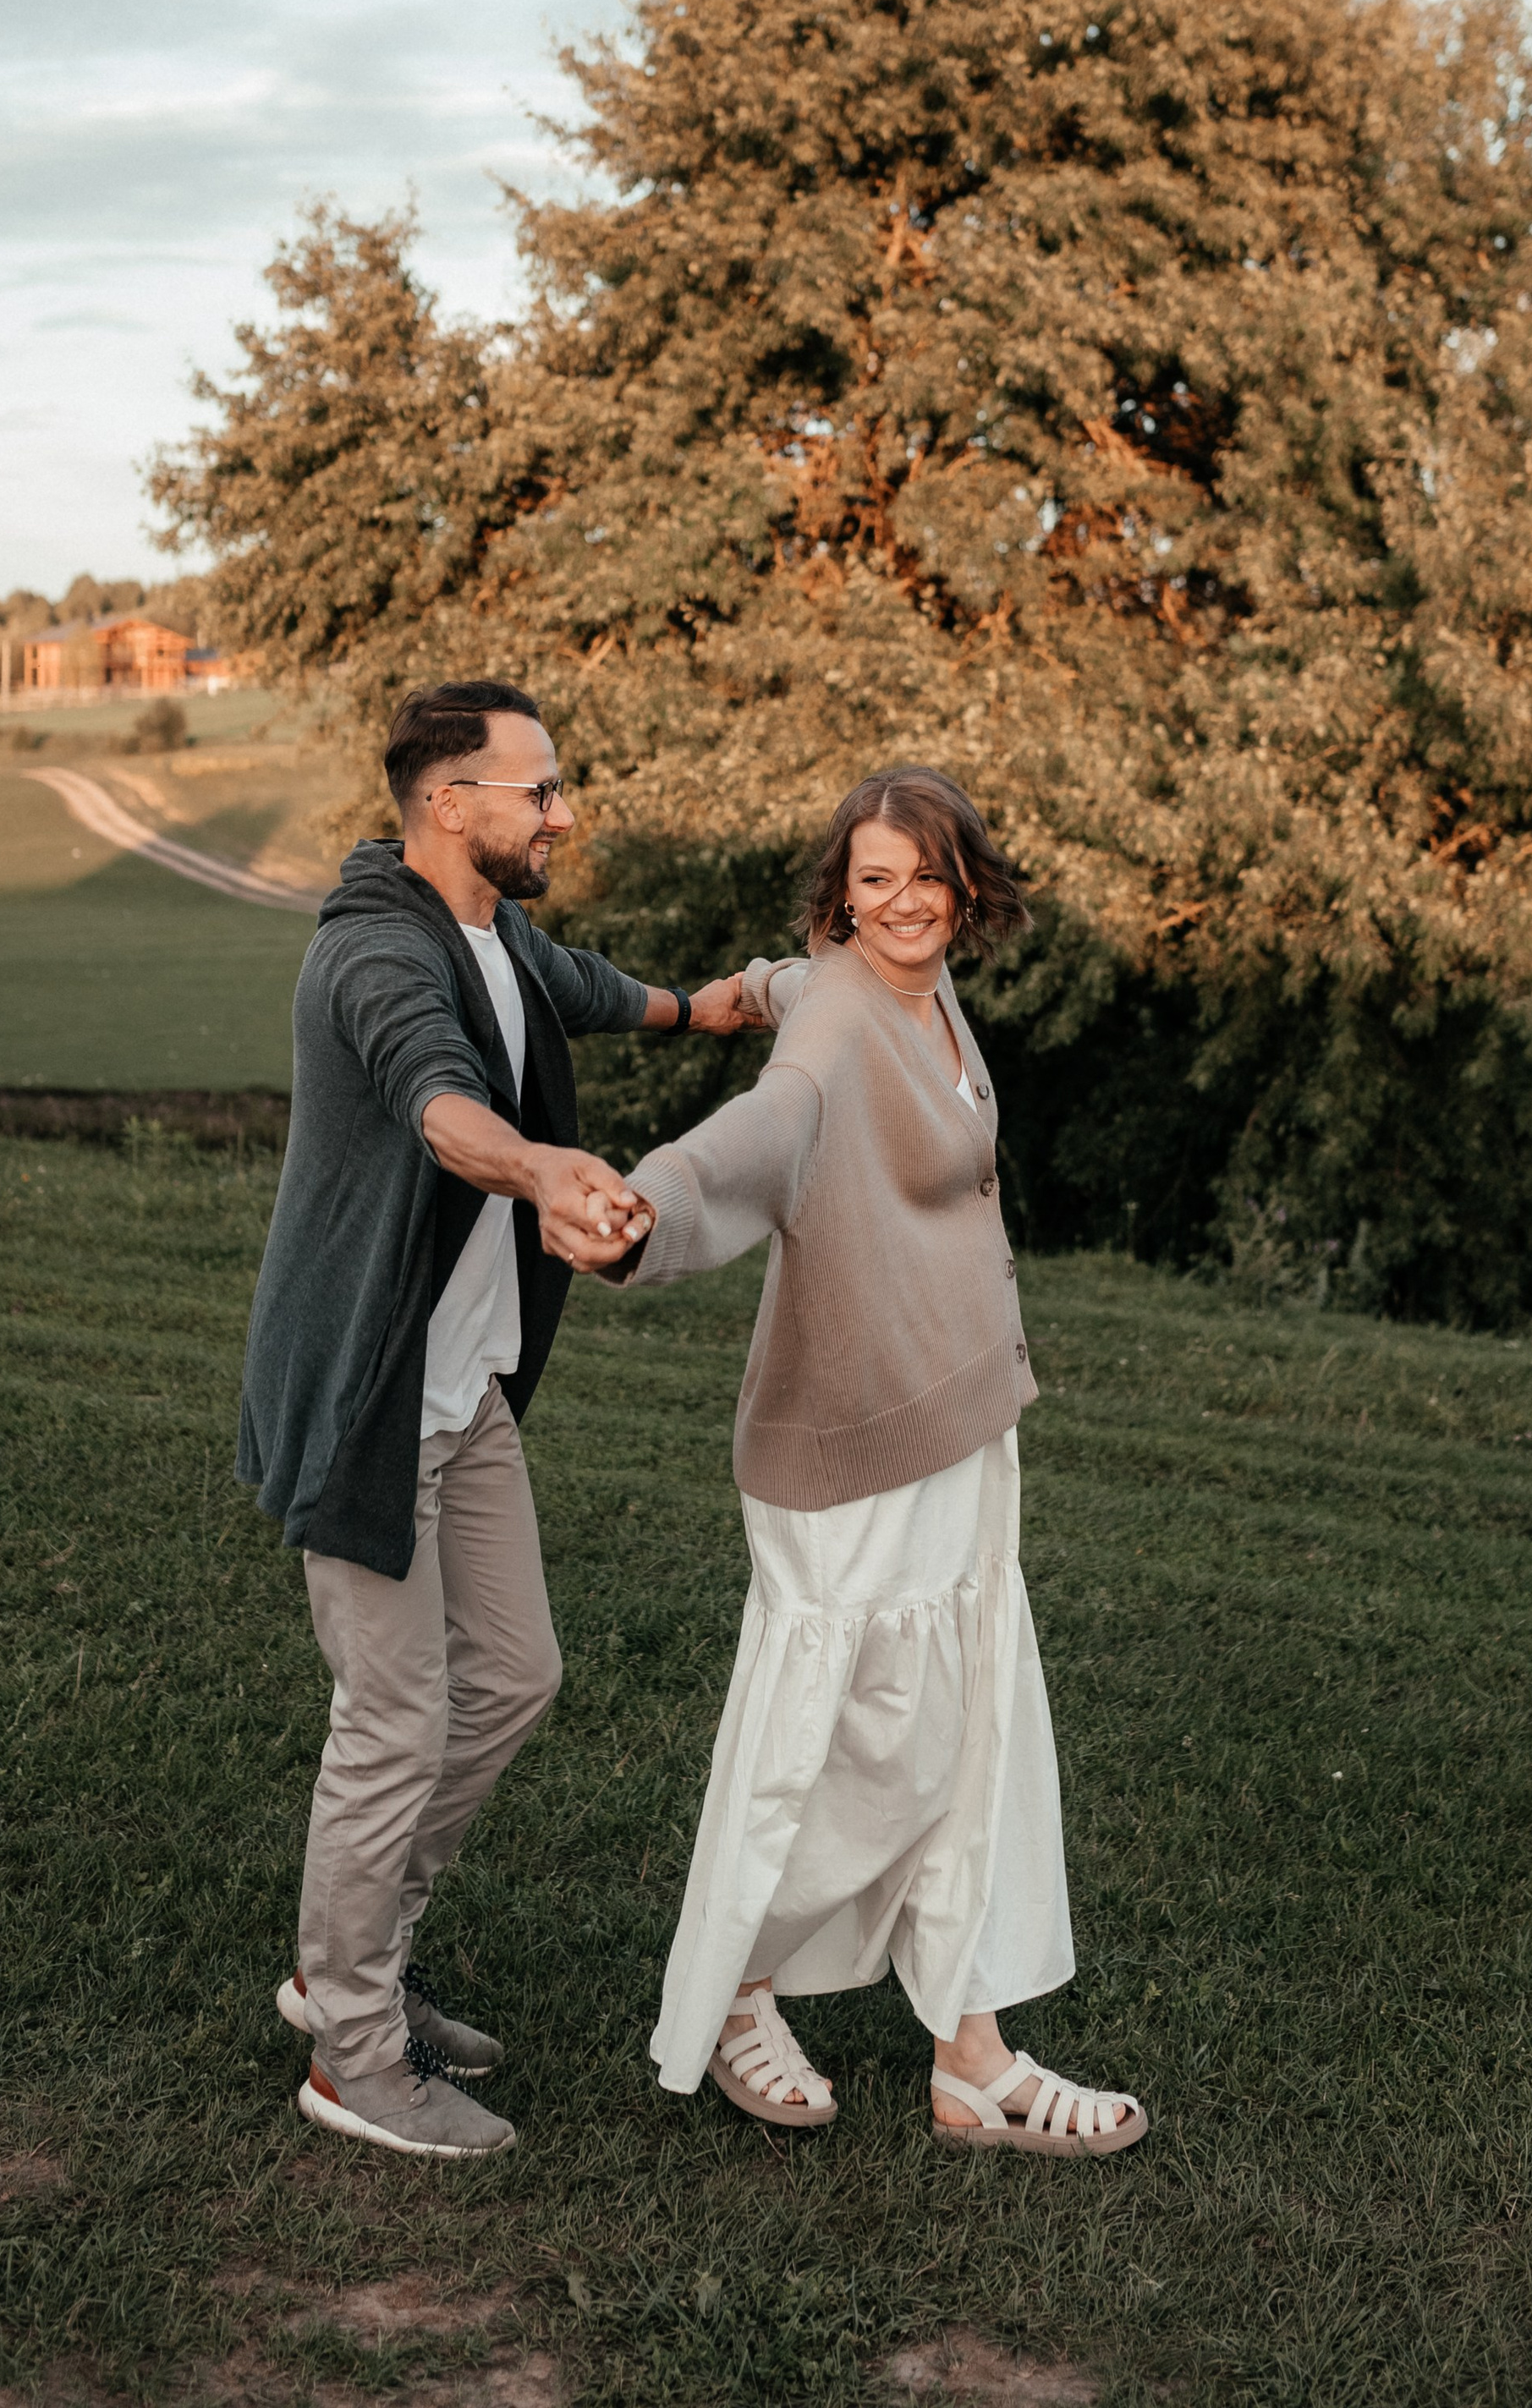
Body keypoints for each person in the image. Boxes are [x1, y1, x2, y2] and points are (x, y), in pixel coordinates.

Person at [597, 765, 1147, 2159]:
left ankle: (976, 2058)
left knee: (968, 1726)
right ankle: (736, 1988)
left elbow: (790, 987)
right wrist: (645, 1205)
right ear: (846, 892)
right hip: (850, 1440)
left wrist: (744, 980)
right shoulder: (849, 1017)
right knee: (857, 1743)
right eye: (876, 880)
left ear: (967, 884)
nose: (905, 903)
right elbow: (767, 1129)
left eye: (927, 875)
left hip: (960, 1413)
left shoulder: (904, 982)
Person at [237, 676, 752, 2161]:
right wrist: (541, 1171)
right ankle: (349, 2047)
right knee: (393, 1717)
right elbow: (440, 1098)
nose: (564, 809)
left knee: (515, 1674)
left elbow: (573, 985)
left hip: (463, 1396)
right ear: (448, 802)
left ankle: (357, 1966)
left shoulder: (493, 927)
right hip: (370, 1395)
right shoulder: (374, 955)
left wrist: (705, 1005)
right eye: (540, 789)